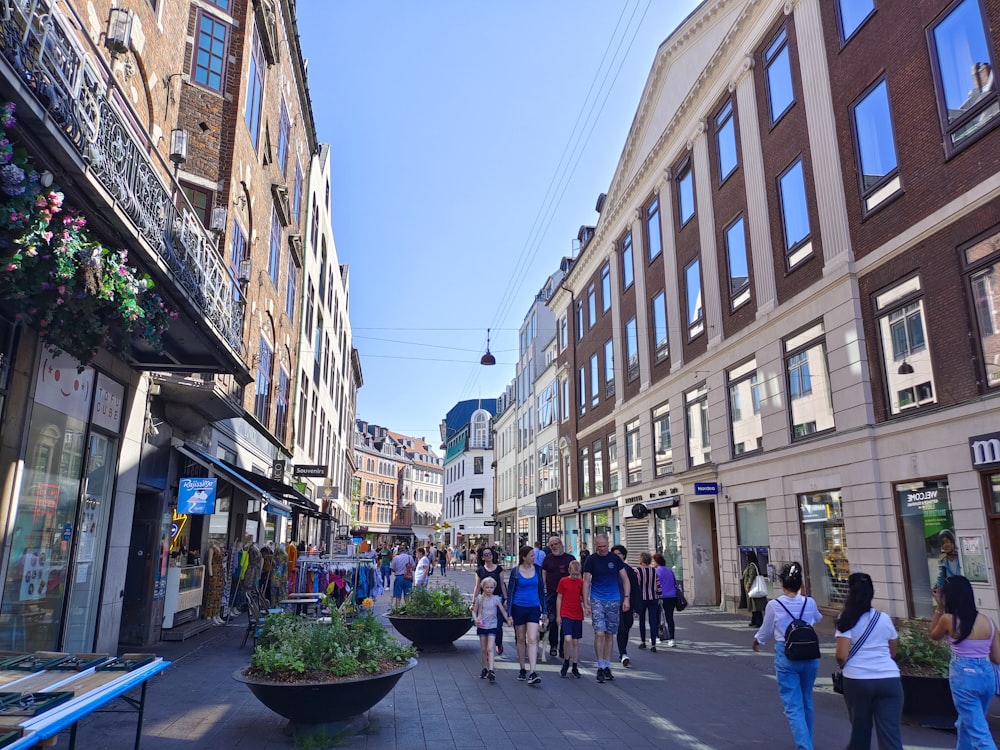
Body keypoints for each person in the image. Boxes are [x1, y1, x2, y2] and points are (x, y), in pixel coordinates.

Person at [752, 562, 823, 750]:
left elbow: (765, 631)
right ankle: (808, 741)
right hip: (809, 654)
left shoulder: (774, 605)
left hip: (786, 654)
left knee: (792, 704)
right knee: (807, 698)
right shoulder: (810, 602)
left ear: (782, 584)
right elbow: (817, 618)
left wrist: (757, 641)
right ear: (800, 584)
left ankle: (805, 746)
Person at [834, 572, 903, 750]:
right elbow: (892, 650)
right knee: (890, 735)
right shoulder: (884, 618)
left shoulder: (846, 619)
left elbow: (841, 654)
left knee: (860, 733)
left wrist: (846, 667)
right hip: (889, 679)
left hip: (857, 679)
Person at [930, 575, 1000, 749]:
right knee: (966, 723)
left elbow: (933, 634)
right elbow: (997, 658)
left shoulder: (948, 619)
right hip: (986, 676)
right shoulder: (989, 621)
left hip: (963, 675)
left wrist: (939, 607)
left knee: (978, 731)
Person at [583, 534, 630, 683]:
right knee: (600, 633)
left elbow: (625, 579)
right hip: (597, 599)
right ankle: (600, 665)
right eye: (599, 547)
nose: (602, 549)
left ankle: (607, 665)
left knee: (610, 633)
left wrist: (626, 598)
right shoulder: (591, 560)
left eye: (604, 546)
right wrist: (586, 602)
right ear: (595, 545)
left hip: (614, 600)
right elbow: (586, 581)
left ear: (608, 544)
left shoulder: (614, 559)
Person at [507, 545, 546, 685]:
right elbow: (510, 592)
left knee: (532, 638)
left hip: (534, 607)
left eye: (534, 555)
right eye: (531, 555)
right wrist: (509, 613)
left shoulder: (538, 570)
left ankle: (533, 671)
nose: (534, 558)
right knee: (521, 638)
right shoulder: (516, 571)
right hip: (518, 607)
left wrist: (544, 610)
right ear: (524, 557)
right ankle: (522, 668)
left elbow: (542, 590)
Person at [472, 577, 512, 683]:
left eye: (491, 587)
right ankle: (484, 668)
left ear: (494, 588)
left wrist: (508, 618)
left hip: (492, 626)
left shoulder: (496, 599)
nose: (489, 589)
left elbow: (503, 611)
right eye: (487, 587)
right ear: (483, 588)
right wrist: (476, 619)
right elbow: (474, 611)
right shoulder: (479, 598)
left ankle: (491, 670)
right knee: (484, 649)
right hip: (482, 626)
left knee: (490, 648)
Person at [541, 536, 575, 658]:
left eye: (556, 544)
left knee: (565, 620)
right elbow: (543, 574)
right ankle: (553, 645)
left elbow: (576, 575)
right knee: (553, 619)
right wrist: (542, 589)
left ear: (561, 544)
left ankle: (563, 648)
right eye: (552, 545)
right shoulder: (548, 559)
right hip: (552, 593)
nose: (555, 546)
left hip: (568, 595)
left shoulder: (570, 559)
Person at [472, 546, 507, 655]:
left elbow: (502, 585)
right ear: (482, 557)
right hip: (484, 601)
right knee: (485, 624)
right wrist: (473, 601)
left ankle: (499, 643)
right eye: (486, 554)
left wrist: (506, 599)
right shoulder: (480, 571)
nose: (488, 556)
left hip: (497, 599)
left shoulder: (499, 569)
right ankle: (488, 650)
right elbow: (477, 587)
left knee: (498, 625)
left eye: (490, 554)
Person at [612, 544, 640, 668]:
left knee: (627, 627)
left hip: (628, 604)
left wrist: (637, 608)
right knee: (621, 628)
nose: (617, 556)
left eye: (619, 554)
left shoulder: (629, 570)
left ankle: (623, 651)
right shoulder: (610, 570)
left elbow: (635, 589)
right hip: (614, 603)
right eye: (614, 554)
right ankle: (623, 653)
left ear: (624, 555)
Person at [556, 559, 585, 678]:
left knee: (575, 641)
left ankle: (574, 665)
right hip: (566, 612)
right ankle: (566, 661)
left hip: (577, 613)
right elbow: (559, 598)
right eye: (573, 574)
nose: (575, 576)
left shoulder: (580, 582)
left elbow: (583, 596)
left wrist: (586, 605)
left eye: (577, 574)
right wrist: (558, 615)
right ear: (569, 571)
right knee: (567, 639)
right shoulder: (563, 581)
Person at [633, 552, 661, 651]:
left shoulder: (637, 571)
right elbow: (658, 584)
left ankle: (643, 641)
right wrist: (659, 596)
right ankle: (653, 644)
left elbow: (635, 586)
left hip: (642, 599)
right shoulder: (654, 571)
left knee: (642, 621)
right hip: (653, 598)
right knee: (653, 620)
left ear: (642, 560)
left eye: (639, 558)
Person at [653, 553, 678, 648]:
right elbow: (674, 583)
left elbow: (655, 585)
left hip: (660, 597)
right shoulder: (669, 571)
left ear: (656, 562)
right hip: (672, 596)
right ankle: (672, 639)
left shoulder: (655, 571)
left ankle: (656, 636)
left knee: (656, 617)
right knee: (669, 617)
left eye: (653, 562)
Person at [743, 550, 767, 628]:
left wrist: (748, 586)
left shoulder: (752, 566)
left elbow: (751, 576)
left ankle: (758, 621)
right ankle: (754, 620)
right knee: (754, 607)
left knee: (756, 607)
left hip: (753, 589)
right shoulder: (751, 565)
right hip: (752, 589)